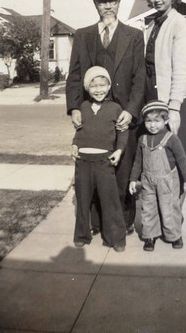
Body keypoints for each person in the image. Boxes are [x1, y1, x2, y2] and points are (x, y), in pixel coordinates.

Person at [66, 0, 146, 234]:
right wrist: (75, 108)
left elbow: (139, 77)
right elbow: (75, 75)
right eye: (102, 1)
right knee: (93, 167)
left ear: (119, 2)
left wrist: (131, 110)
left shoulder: (133, 36)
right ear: (96, 5)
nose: (108, 6)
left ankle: (122, 223)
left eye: (112, 0)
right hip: (93, 116)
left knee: (122, 170)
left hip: (123, 115)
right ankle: (97, 222)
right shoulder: (83, 36)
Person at [141, 0, 186, 174]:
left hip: (170, 101)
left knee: (174, 153)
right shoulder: (153, 24)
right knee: (155, 152)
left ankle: (175, 201)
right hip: (152, 97)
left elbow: (180, 71)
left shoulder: (180, 24)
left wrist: (174, 108)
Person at [72, 66, 128, 251]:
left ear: (109, 86)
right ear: (87, 88)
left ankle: (116, 238)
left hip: (105, 162)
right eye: (93, 85)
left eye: (102, 85)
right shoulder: (83, 108)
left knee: (109, 201)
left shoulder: (115, 108)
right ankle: (81, 235)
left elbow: (122, 133)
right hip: (83, 162)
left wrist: (118, 151)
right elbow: (79, 133)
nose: (98, 89)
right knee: (83, 200)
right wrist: (74, 145)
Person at [129, 100, 186, 251]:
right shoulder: (142, 139)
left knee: (169, 208)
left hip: (168, 181)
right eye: (148, 121)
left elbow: (182, 160)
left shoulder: (171, 138)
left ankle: (174, 235)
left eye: (157, 121)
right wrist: (133, 179)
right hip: (147, 180)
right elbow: (138, 161)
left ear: (166, 121)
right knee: (148, 208)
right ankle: (150, 236)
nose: (152, 125)